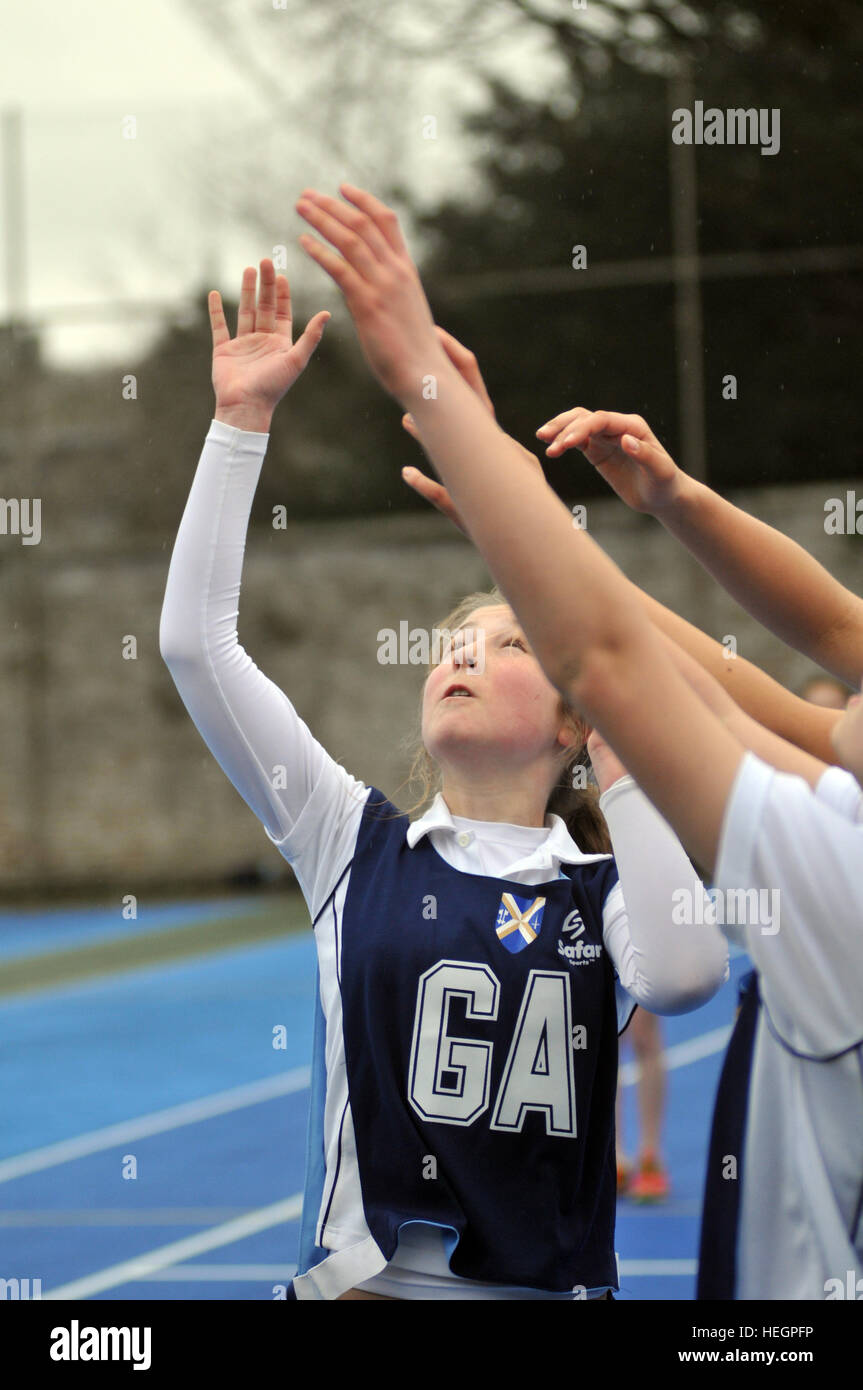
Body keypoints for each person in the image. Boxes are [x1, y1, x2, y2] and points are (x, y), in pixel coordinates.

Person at [295, 183, 863, 1300]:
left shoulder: (837, 874)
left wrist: (443, 401)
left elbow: (631, 670)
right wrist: (621, 512)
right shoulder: (836, 823)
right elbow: (751, 670)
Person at [159, 258, 728, 1301]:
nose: (460, 655)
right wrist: (239, 423)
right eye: (453, 641)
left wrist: (623, 736)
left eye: (510, 643)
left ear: (571, 715)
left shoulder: (598, 892)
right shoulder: (349, 842)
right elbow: (196, 645)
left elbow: (685, 977)